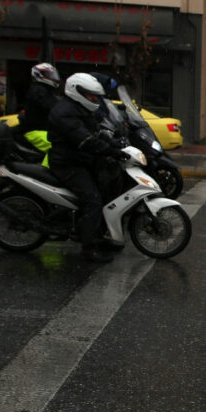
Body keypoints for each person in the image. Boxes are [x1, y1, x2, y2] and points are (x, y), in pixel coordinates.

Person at [48, 73, 130, 263]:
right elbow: (85, 141)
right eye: (91, 96)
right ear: (77, 92)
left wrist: (115, 143)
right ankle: (88, 248)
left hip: (81, 160)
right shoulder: (65, 113)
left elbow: (95, 132)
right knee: (93, 200)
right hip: (67, 164)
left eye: (95, 96)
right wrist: (111, 151)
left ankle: (98, 236)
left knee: (107, 190)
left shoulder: (79, 109)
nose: (94, 100)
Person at [15, 63, 61, 155]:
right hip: (37, 131)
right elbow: (53, 108)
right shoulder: (39, 91)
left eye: (52, 74)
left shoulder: (45, 90)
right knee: (60, 148)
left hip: (42, 130)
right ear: (39, 75)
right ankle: (51, 169)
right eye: (49, 75)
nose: (52, 77)